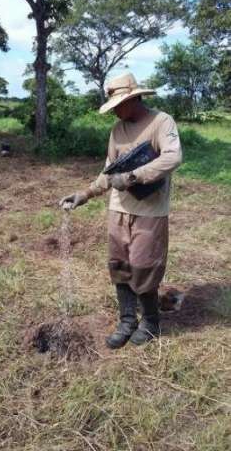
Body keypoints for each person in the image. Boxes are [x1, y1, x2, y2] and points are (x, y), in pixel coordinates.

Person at [60, 72, 182, 349]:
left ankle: (150, 322)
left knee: (144, 265)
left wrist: (133, 177)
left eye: (119, 104)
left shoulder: (161, 122)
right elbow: (109, 171)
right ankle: (127, 320)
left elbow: (173, 157)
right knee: (120, 266)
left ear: (134, 98)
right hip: (118, 208)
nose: (115, 110)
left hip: (150, 211)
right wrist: (85, 193)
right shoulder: (117, 130)